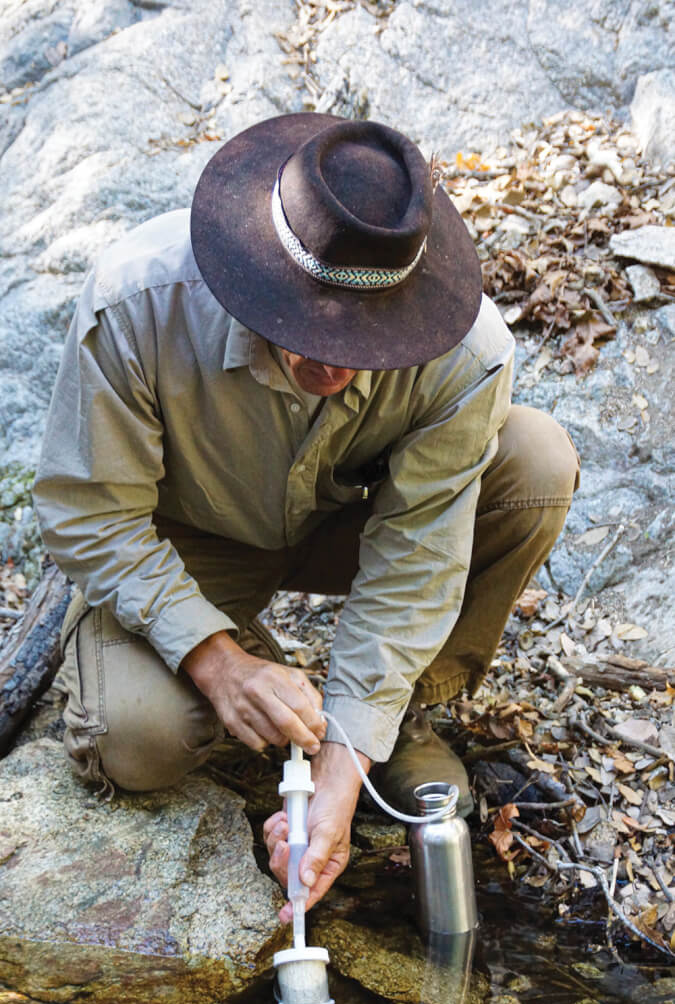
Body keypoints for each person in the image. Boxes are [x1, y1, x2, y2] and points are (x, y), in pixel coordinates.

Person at [33, 113, 579, 925]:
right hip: (184, 536)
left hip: (338, 530)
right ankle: (251, 657)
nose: (332, 360)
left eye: (367, 335)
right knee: (138, 740)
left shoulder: (468, 353)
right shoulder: (140, 301)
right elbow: (89, 518)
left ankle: (403, 713)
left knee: (534, 462)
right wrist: (219, 663)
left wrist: (339, 772)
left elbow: (417, 554)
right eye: (308, 323)